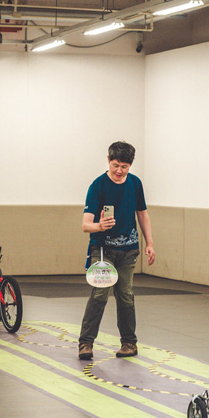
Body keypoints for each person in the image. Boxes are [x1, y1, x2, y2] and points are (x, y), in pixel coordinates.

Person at [78, 141, 156, 361]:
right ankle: (86, 343)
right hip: (103, 250)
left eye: (124, 166)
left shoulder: (135, 184)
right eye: (115, 165)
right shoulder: (97, 186)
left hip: (128, 250)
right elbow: (85, 225)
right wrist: (99, 226)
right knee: (100, 294)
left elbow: (142, 214)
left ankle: (129, 343)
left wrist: (149, 243)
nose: (119, 170)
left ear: (130, 166)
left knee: (125, 295)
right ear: (108, 161)